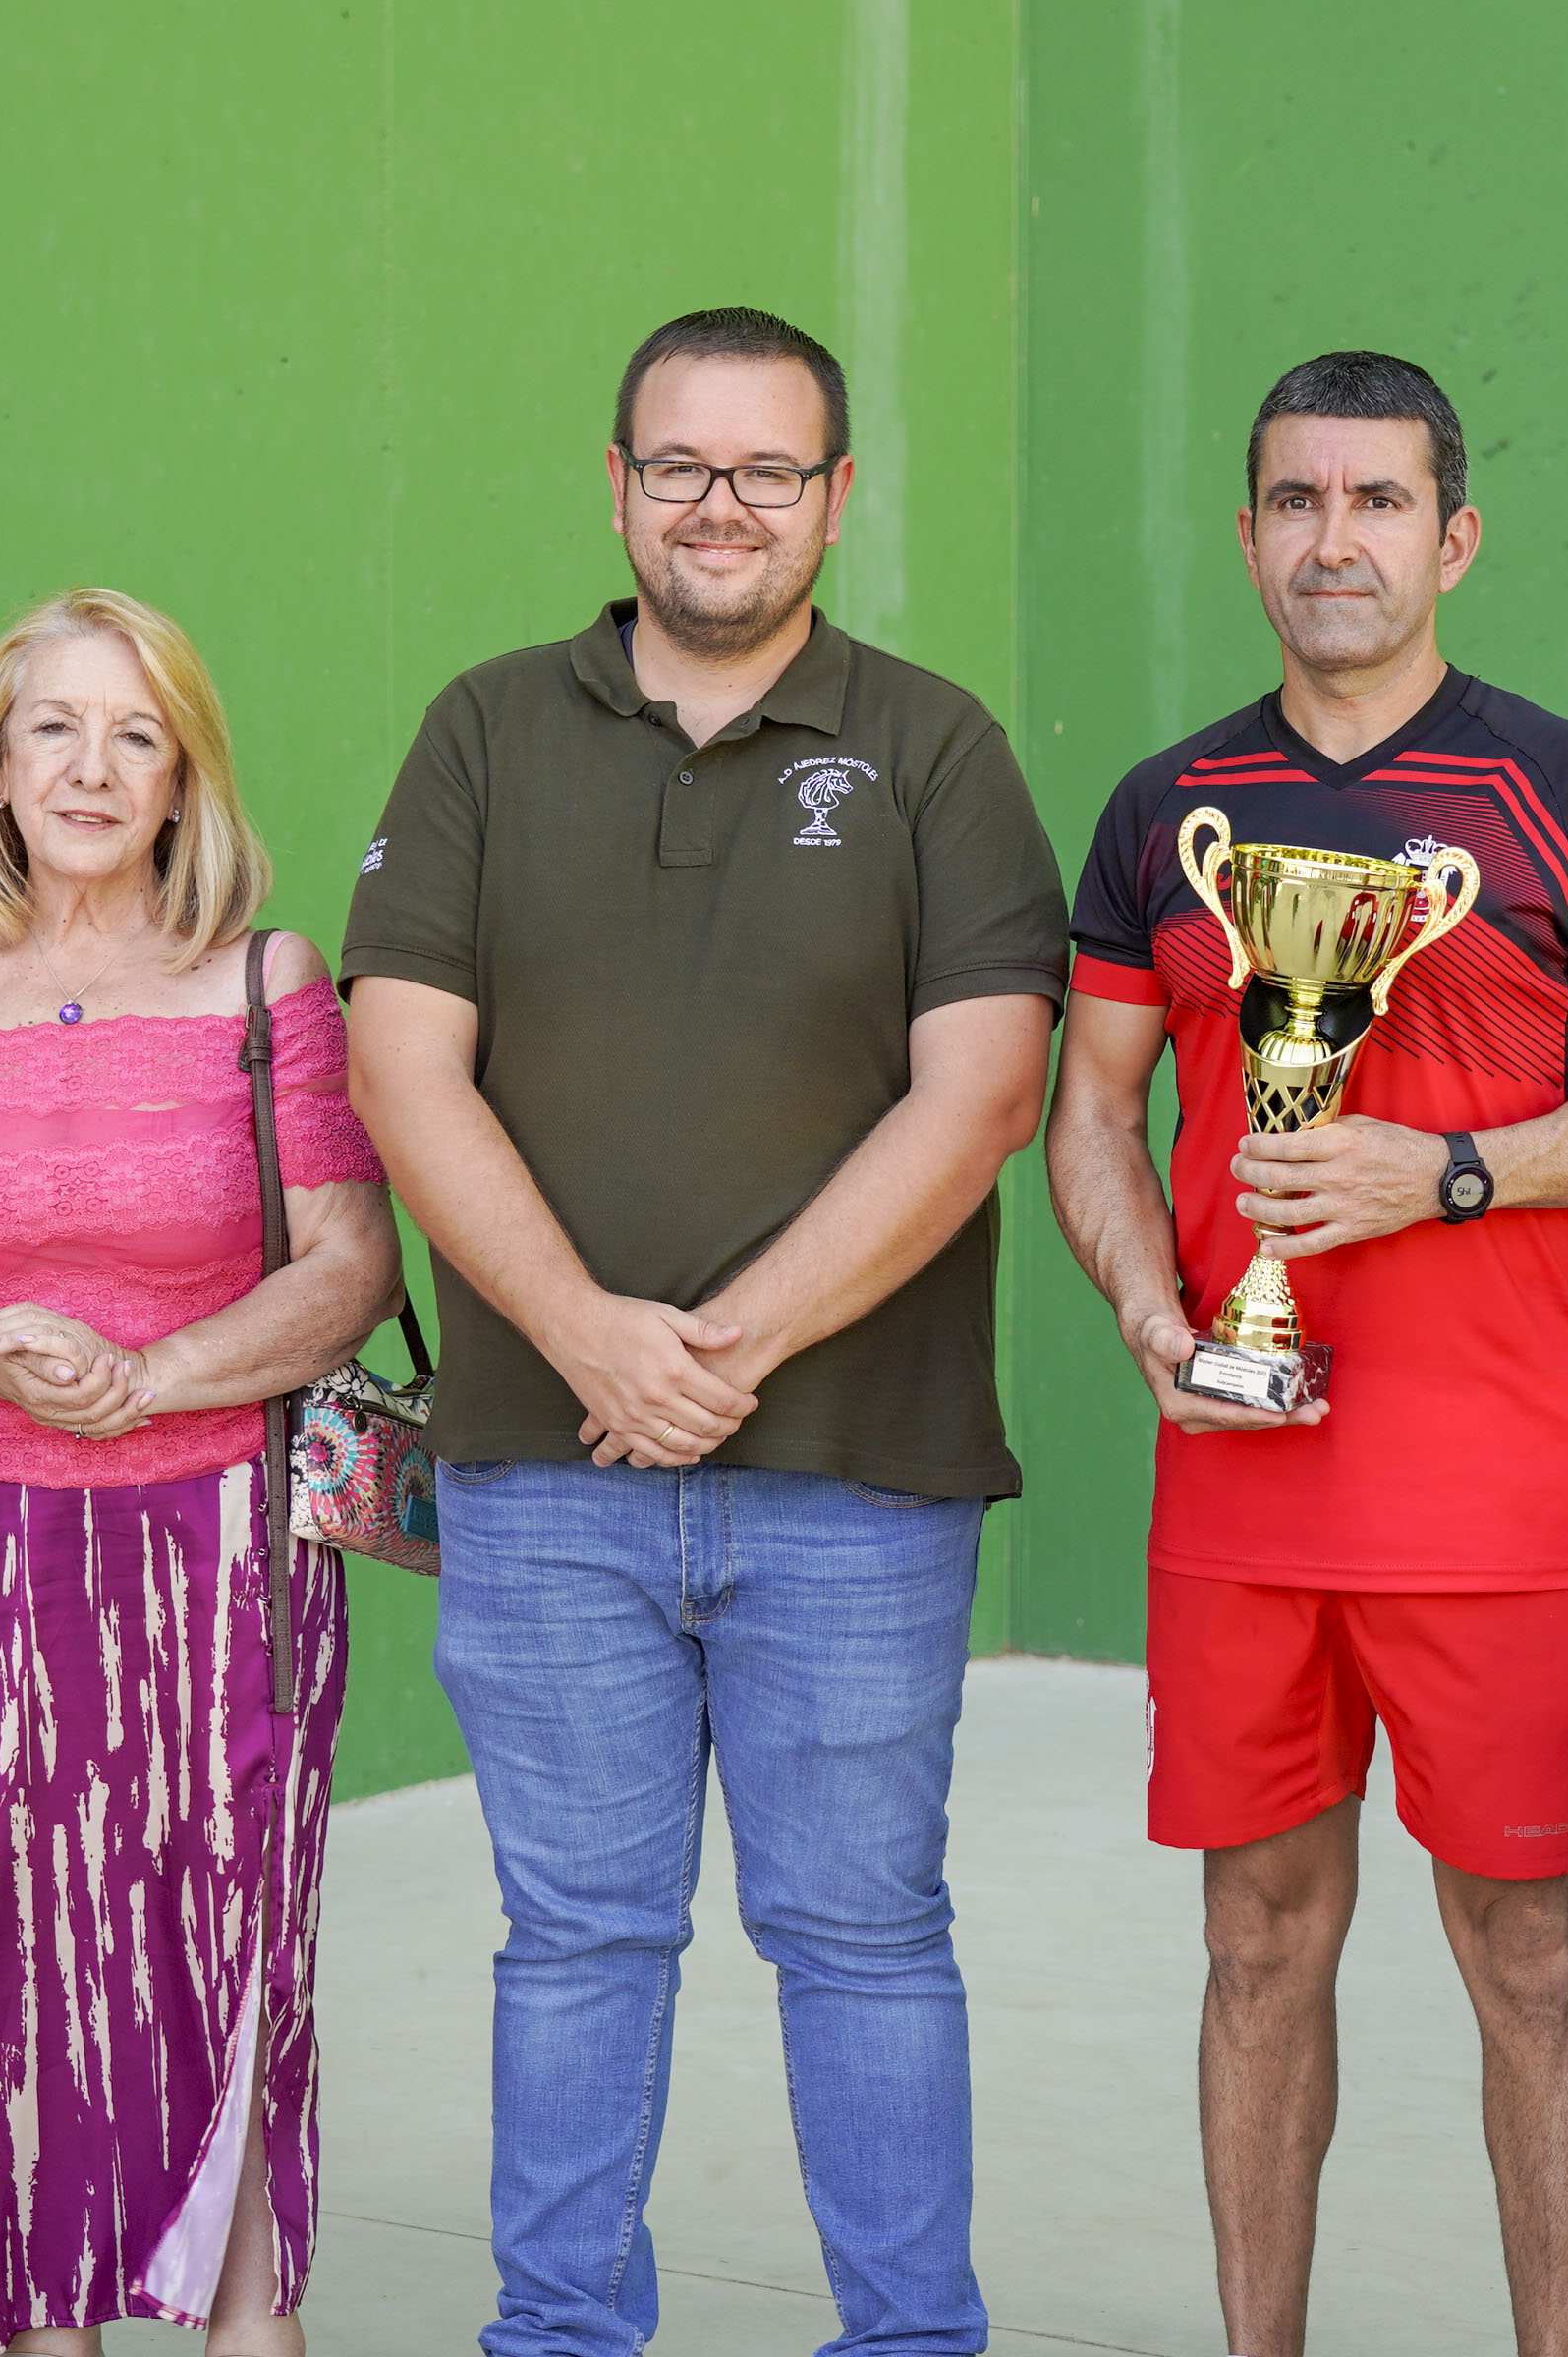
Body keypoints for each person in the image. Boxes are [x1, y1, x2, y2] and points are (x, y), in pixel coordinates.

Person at [340, 306, 1067, 2357]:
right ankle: (560, 2336)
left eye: (767, 470)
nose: (720, 506)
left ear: (834, 497)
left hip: (857, 1478)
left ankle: (909, 2338)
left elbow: (986, 1095)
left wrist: (720, 1344)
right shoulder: (486, 730)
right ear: (617, 486)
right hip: (543, 1474)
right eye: (680, 465)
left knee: (862, 1938)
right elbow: (401, 1062)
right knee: (576, 1940)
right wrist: (588, 1335)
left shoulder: (934, 749)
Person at [1044, 350, 1568, 2357]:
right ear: (1249, 534)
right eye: (1297, 500)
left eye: (1377, 502)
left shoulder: (1565, 790)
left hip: (1496, 1492)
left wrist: (1445, 1171)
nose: (1334, 539)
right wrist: (1149, 1309)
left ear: (1455, 537)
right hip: (1242, 1481)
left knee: (1530, 1956)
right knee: (1257, 1944)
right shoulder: (1167, 809)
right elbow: (1090, 1109)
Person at [0, 587, 398, 2357]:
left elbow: (351, 1260)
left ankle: (244, 2320)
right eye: (52, 727)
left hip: (224, 1550)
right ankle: (39, 2325)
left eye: (138, 736)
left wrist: (154, 1379)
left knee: (226, 1951)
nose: (91, 766)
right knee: (3, 1961)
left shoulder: (265, 983)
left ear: (184, 781)